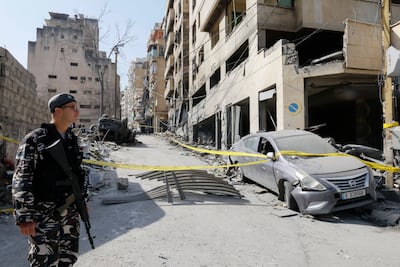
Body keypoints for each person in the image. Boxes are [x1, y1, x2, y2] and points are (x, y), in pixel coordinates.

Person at [12, 93, 87, 266]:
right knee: (44, 260)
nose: (77, 112)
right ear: (58, 111)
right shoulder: (34, 140)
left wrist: (82, 200)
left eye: (77, 107)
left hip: (69, 213)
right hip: (44, 214)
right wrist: (25, 216)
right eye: (72, 107)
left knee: (67, 257)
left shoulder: (71, 140)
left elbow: (78, 174)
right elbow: (22, 178)